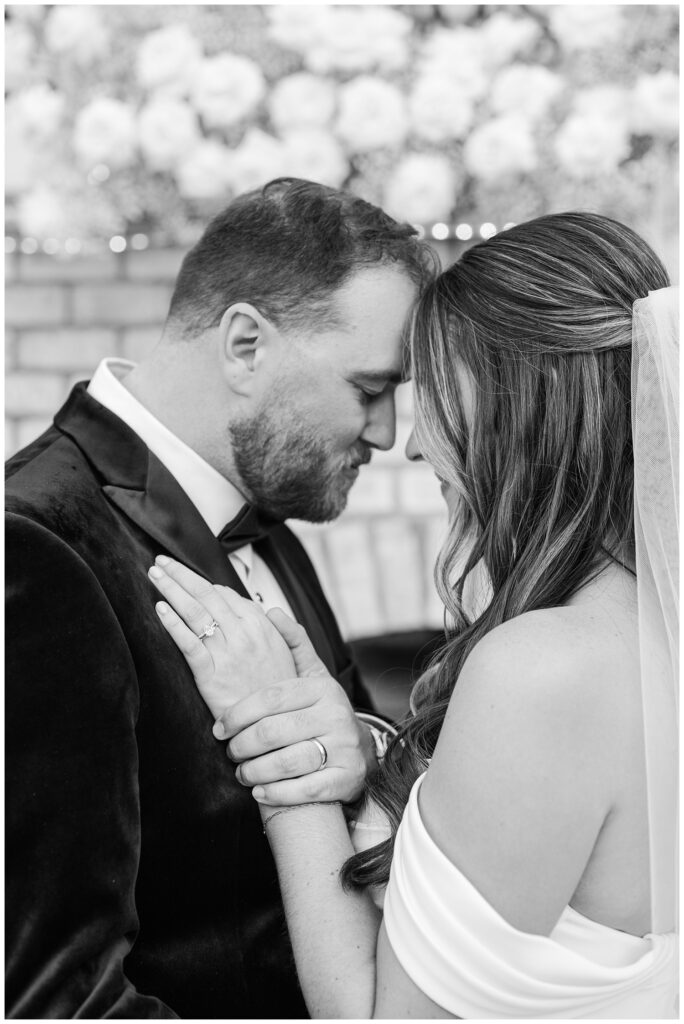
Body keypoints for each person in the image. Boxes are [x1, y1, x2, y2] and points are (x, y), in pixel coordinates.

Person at [152, 212, 678, 1018]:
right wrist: (357, 749)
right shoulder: (645, 636)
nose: (412, 445)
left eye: (433, 388)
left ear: (520, 401)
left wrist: (287, 768)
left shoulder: (544, 669)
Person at [5, 178, 437, 1018]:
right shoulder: (35, 548)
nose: (387, 433)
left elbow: (333, 761)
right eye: (369, 388)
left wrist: (365, 746)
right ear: (246, 344)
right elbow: (58, 996)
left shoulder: (265, 521)